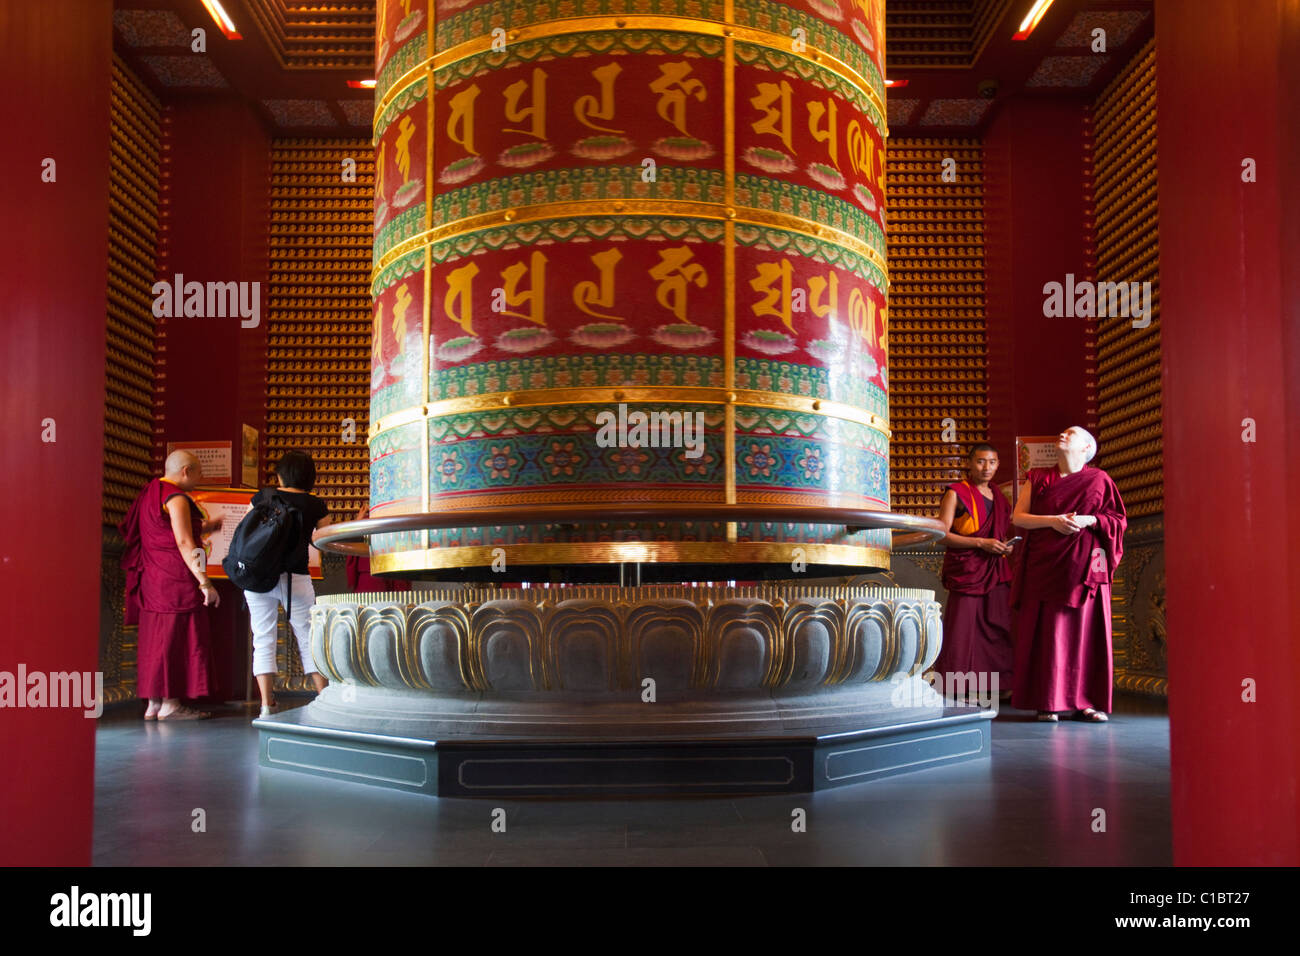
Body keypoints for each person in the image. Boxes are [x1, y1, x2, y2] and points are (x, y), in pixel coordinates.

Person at [1010, 426, 1127, 722]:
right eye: (1062, 432)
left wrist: (1091, 519)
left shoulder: (1099, 480)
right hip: (1044, 566)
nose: (1063, 434)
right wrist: (1054, 521)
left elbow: (1117, 520)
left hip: (1085, 567)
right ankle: (1048, 701)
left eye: (1072, 433)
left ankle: (1086, 702)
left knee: (1086, 633)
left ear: (1087, 448)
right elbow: (1018, 517)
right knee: (1048, 634)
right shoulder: (1038, 478)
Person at [119, 450, 222, 720]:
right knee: (175, 640)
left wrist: (208, 527)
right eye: (199, 472)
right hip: (175, 581)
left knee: (156, 640)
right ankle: (171, 704)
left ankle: (154, 703)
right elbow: (183, 542)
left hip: (153, 580)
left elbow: (165, 531)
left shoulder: (150, 493)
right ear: (186, 471)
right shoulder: (175, 497)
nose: (201, 478)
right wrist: (205, 582)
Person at [243, 451, 331, 718]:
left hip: (258, 576)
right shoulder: (315, 505)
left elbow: (245, 531)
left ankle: (267, 704)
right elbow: (323, 539)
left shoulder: (261, 497)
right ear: (310, 476)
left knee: (263, 638)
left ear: (280, 474)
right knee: (308, 637)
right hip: (296, 576)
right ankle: (324, 698)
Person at [932, 443, 1015, 703]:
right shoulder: (957, 493)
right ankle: (954, 688)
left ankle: (999, 684)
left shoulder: (1000, 497)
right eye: (980, 461)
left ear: (998, 464)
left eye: (992, 462)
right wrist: (981, 543)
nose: (986, 467)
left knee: (998, 626)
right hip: (969, 569)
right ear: (969, 463)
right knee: (962, 628)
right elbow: (942, 535)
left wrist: (1002, 547)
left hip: (996, 568)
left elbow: (999, 533)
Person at [344, 503, 412, 593]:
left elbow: (352, 549)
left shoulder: (364, 521)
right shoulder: (399, 519)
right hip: (383, 573)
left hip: (373, 575)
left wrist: (358, 521)